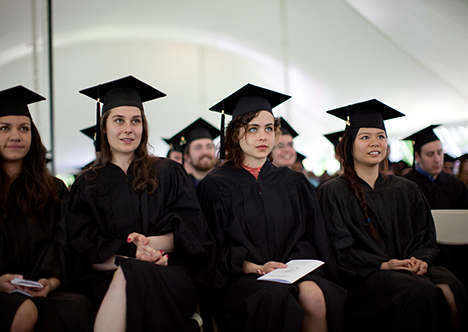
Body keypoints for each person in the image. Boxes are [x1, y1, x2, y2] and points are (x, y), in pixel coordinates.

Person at [62, 76, 213, 332]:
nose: (128, 129)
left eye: (136, 121)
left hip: (167, 270)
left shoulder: (169, 172)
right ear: (104, 127)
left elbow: (192, 231)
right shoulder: (87, 183)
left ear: (144, 126)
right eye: (118, 120)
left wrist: (149, 249)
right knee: (128, 274)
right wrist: (133, 257)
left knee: (132, 275)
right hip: (107, 275)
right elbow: (81, 247)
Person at [197, 83, 346, 332]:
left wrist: (293, 264)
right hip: (240, 277)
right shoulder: (214, 186)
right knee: (275, 296)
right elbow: (209, 249)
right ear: (234, 134)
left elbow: (311, 236)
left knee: (317, 296)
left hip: (289, 270)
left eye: (269, 128)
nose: (263, 136)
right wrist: (251, 266)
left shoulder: (293, 182)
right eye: (252, 129)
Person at [317, 99, 468, 332]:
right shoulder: (333, 191)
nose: (374, 143)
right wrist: (385, 264)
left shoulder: (406, 188)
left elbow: (425, 234)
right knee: (420, 292)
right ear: (350, 145)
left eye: (380, 136)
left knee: (454, 288)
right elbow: (339, 247)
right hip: (365, 276)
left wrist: (421, 259)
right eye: (365, 137)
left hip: (409, 267)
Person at [0, 85, 94, 332]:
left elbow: (62, 243)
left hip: (43, 290)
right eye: (4, 128)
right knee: (23, 308)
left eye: (24, 128)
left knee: (78, 306)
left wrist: (50, 282)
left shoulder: (52, 189)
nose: (16, 136)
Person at [403, 125, 468, 209]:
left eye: (440, 153)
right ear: (417, 156)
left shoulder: (456, 184)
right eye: (430, 154)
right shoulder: (405, 186)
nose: (437, 159)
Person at [174, 118, 219, 188]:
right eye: (198, 148)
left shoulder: (228, 183)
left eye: (209, 147)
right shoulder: (181, 187)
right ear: (187, 156)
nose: (205, 152)